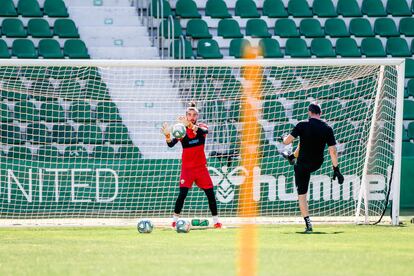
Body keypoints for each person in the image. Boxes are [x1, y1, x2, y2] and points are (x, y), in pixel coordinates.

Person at [280, 103, 344, 233]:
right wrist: (336, 169)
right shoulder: (327, 128)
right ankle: (292, 156)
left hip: (302, 165)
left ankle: (308, 224)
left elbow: (286, 142)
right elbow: (333, 151)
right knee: (303, 142)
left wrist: (283, 137)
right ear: (320, 114)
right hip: (316, 163)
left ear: (309, 112)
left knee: (302, 195)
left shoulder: (302, 125)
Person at [161, 102, 222, 229]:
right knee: (182, 194)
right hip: (187, 169)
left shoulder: (201, 126)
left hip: (201, 168)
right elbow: (170, 144)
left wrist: (189, 125)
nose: (192, 117)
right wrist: (167, 135)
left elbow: (203, 132)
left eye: (194, 115)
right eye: (189, 115)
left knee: (210, 194)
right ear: (186, 116)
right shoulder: (181, 131)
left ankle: (216, 222)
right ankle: (174, 221)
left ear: (197, 116)